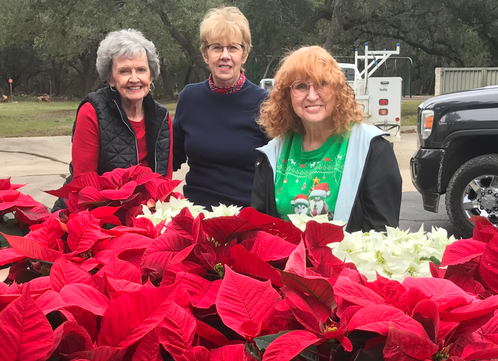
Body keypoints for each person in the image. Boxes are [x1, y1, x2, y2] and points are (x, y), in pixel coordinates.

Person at [252, 46, 402, 232]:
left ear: (337, 90)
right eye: (300, 86)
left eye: (322, 83)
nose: (312, 96)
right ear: (287, 95)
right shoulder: (273, 154)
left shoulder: (372, 149)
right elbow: (259, 229)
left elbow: (382, 234)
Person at [53, 29, 172, 211]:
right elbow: (83, 185)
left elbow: (164, 184)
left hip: (144, 216)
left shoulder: (162, 117)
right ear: (110, 79)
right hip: (95, 214)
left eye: (141, 70)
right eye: (124, 71)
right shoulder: (92, 111)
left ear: (151, 75)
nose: (134, 79)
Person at [172, 6, 268, 208]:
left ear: (244, 54)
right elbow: (170, 158)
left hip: (246, 215)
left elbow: (277, 172)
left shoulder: (265, 104)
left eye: (233, 48)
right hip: (197, 213)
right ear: (205, 54)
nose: (225, 55)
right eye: (217, 47)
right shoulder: (189, 98)